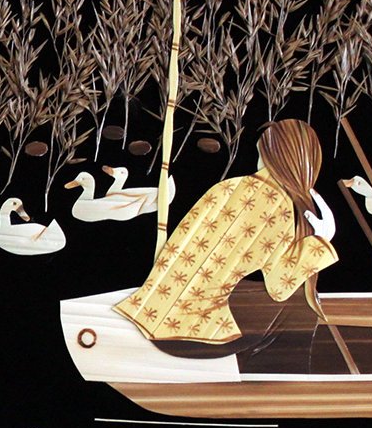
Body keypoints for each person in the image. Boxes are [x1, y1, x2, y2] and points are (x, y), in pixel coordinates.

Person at [114, 118, 338, 349]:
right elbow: (278, 288)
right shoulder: (279, 207)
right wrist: (321, 241)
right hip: (197, 331)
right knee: (295, 311)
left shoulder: (228, 187)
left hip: (147, 311)